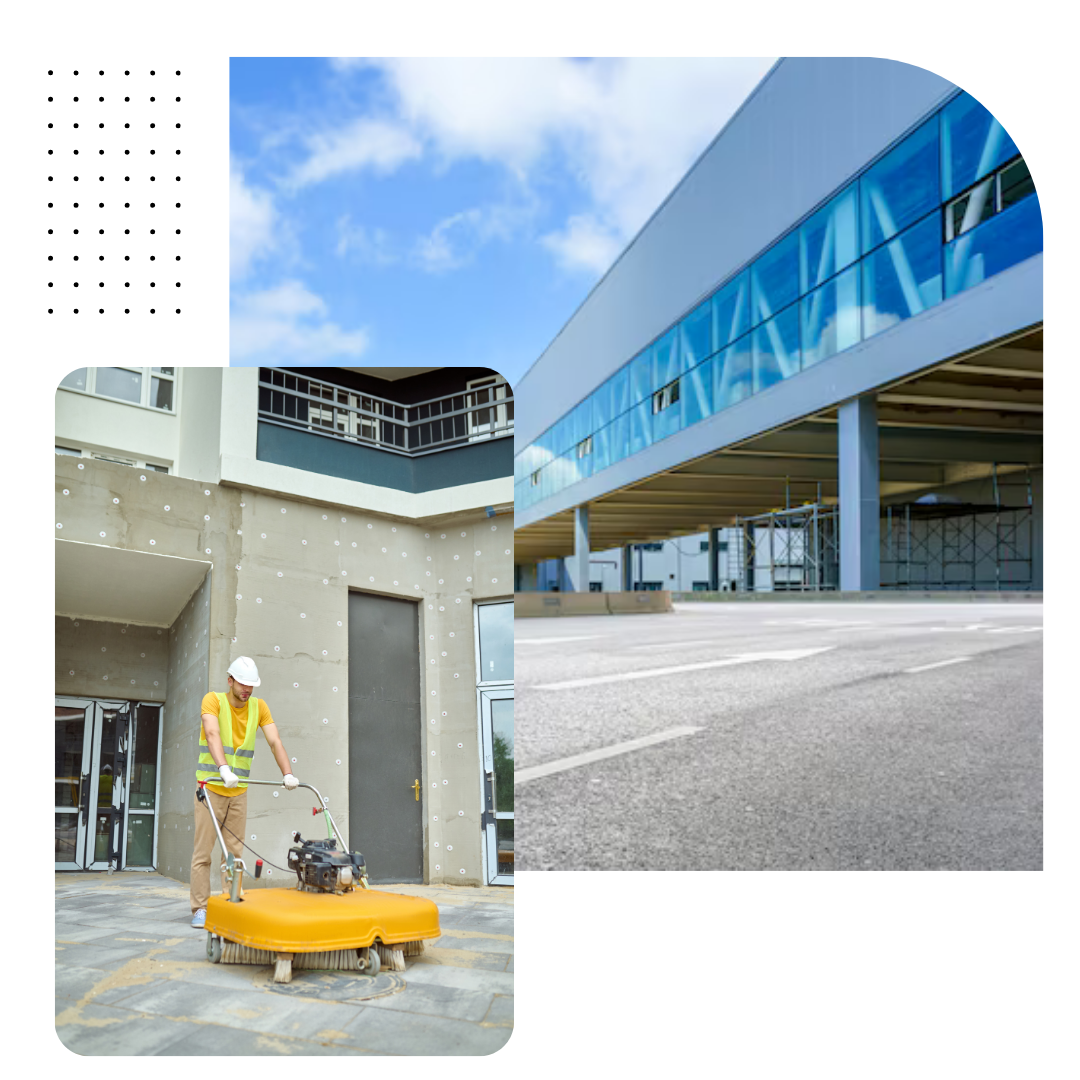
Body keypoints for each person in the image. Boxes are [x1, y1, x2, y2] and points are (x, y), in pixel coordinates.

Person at [189, 656, 298, 928]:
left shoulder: (259, 707)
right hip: (211, 788)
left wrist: (287, 773)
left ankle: (231, 904)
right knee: (203, 853)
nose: (247, 689)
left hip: (238, 792)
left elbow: (275, 741)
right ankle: (200, 909)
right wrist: (223, 768)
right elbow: (212, 734)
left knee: (234, 854)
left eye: (251, 684)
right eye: (242, 683)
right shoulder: (213, 700)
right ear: (230, 681)